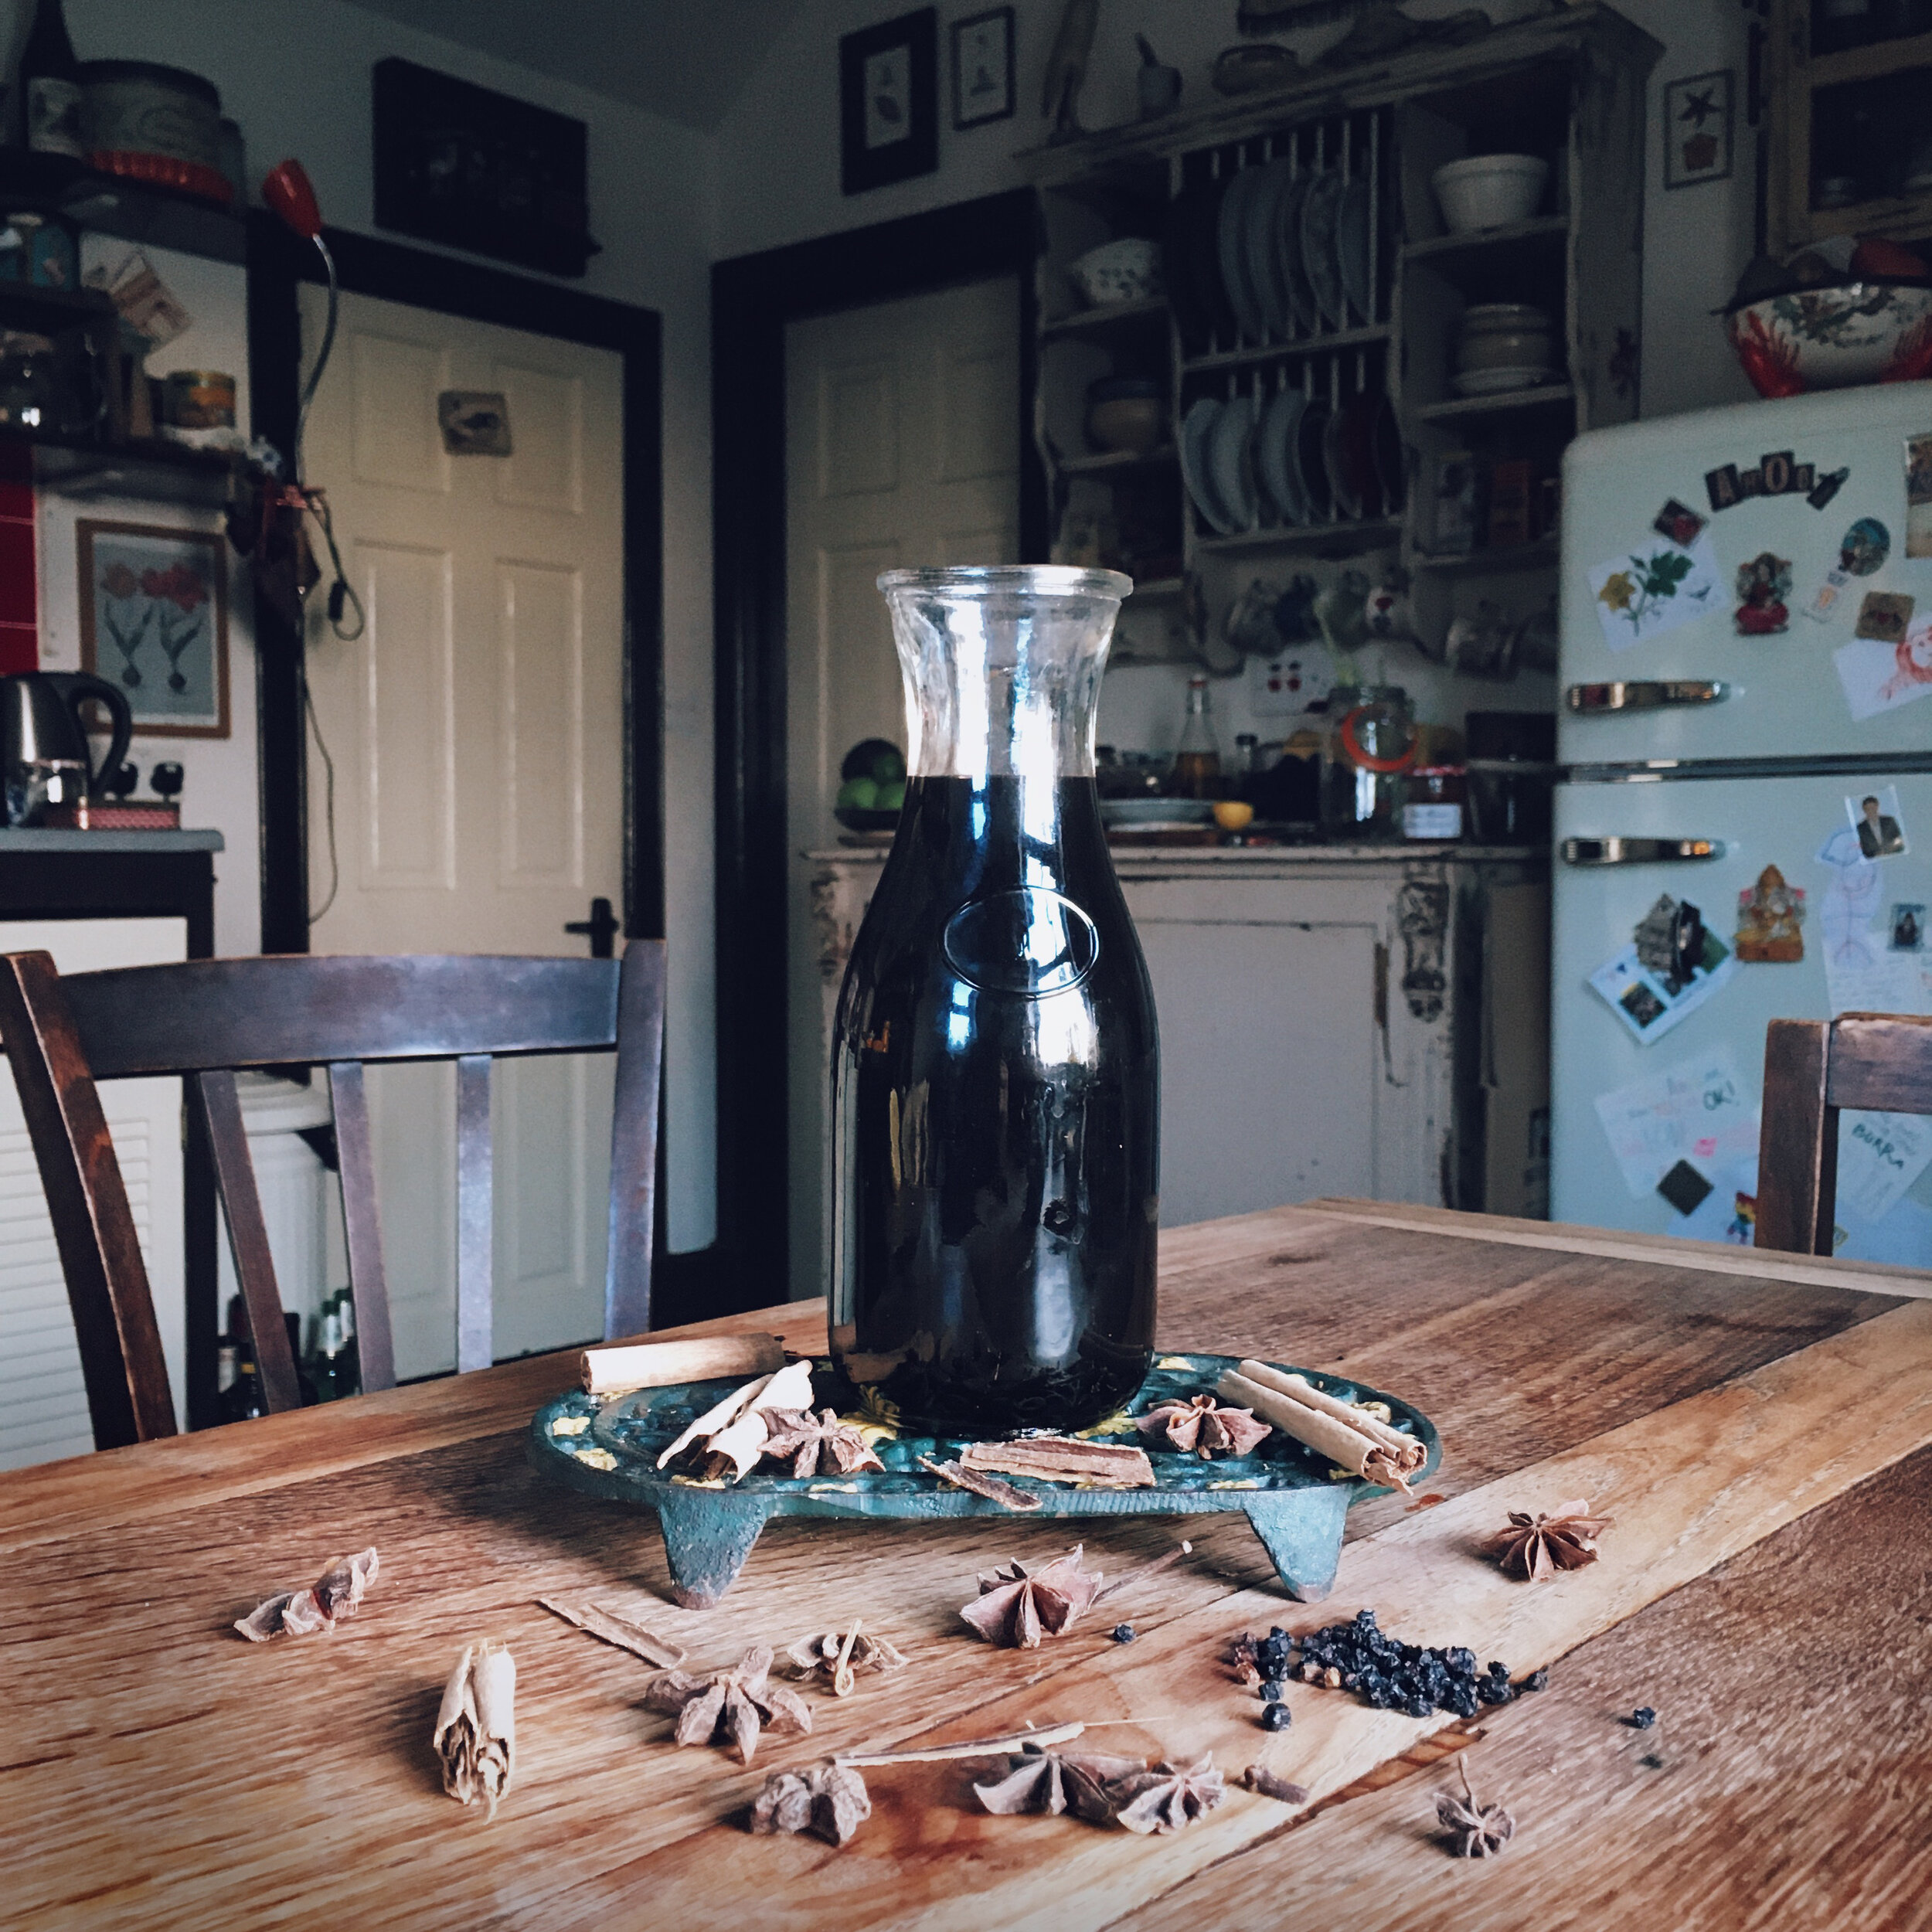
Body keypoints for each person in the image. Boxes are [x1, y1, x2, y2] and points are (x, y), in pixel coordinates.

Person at [1857, 793, 1905, 859]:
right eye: (1868, 809)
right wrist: (1876, 855)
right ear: (1864, 810)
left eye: (1872, 808)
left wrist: (1888, 850)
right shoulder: (1861, 827)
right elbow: (1864, 849)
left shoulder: (1889, 821)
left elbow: (1899, 839)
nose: (1871, 811)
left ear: (1877, 807)